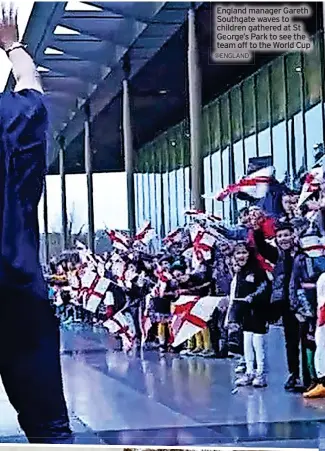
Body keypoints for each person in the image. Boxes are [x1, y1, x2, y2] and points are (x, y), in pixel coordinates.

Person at [0, 7, 73, 443]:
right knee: (48, 426)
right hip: (16, 289)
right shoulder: (10, 127)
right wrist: (12, 44)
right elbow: (32, 88)